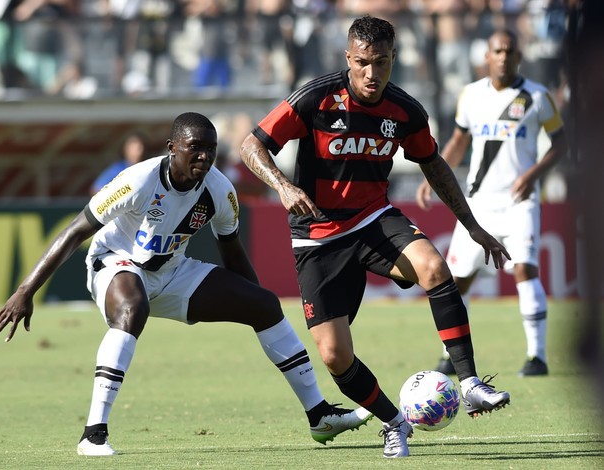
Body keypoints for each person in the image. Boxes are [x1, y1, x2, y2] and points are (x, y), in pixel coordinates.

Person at [0, 112, 373, 456]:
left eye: (210, 149)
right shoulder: (137, 181)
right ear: (172, 149)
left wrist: (253, 301)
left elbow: (232, 252)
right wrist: (26, 291)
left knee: (267, 306)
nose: (204, 157)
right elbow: (75, 232)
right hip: (114, 264)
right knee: (131, 308)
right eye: (195, 149)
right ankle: (93, 434)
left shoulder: (220, 191)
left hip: (172, 273)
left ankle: (319, 415)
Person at [239, 16, 511, 459]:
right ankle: (394, 422)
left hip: (373, 219)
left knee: (434, 266)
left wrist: (472, 225)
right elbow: (252, 145)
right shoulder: (316, 98)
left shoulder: (405, 111)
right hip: (318, 235)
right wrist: (284, 186)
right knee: (333, 355)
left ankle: (472, 384)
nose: (372, 73)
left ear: (393, 60)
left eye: (381, 62)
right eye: (363, 62)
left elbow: (434, 163)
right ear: (349, 58)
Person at [416, 29, 567, 377]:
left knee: (525, 270)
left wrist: (533, 174)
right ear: (487, 56)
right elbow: (457, 140)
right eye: (497, 50)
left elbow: (561, 143)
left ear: (519, 56)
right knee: (457, 280)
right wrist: (432, 177)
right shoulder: (470, 95)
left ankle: (537, 357)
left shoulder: (538, 97)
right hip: (477, 204)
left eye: (509, 51)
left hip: (519, 201)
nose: (503, 56)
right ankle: (449, 355)